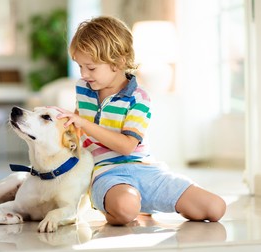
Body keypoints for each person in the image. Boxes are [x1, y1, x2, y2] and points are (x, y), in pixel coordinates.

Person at [53, 16, 226, 225]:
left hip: (146, 170)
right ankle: (127, 204)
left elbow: (127, 146)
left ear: (118, 61)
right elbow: (77, 129)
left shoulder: (139, 97)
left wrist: (85, 124)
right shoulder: (83, 89)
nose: (83, 74)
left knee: (215, 208)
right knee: (126, 207)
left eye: (91, 67)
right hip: (106, 173)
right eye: (80, 66)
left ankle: (143, 202)